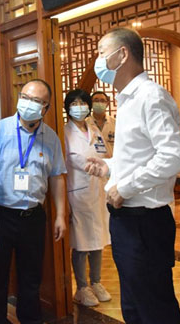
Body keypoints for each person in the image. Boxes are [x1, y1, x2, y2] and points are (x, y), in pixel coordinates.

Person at [85, 27, 180, 324]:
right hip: (127, 219)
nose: (98, 60)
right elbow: (139, 156)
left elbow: (173, 157)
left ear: (123, 54)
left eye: (102, 52)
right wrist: (109, 168)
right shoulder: (127, 99)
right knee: (133, 306)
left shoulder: (151, 97)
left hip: (146, 221)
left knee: (154, 307)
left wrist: (125, 187)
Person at [0, 79, 67, 324]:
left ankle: (30, 319)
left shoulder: (50, 137)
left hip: (33, 217)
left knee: (31, 276)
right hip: (1, 215)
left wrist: (61, 215)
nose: (29, 104)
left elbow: (57, 177)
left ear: (46, 108)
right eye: (25, 97)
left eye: (37, 101)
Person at [63, 89, 111, 307]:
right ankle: (82, 288)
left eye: (83, 103)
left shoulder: (93, 129)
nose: (79, 107)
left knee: (98, 239)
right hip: (79, 192)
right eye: (74, 103)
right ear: (68, 108)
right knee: (82, 242)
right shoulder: (65, 132)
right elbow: (71, 161)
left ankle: (96, 282)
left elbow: (105, 154)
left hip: (98, 189)